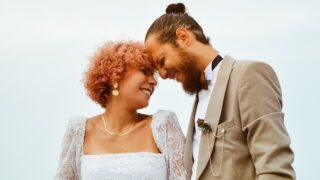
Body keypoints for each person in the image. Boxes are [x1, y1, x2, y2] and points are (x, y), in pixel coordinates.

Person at [145, 3, 295, 180]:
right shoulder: (200, 96)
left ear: (183, 37)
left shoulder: (248, 75)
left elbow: (275, 170)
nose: (162, 75)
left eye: (162, 61)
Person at [54, 41, 187, 180]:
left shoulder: (163, 125)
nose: (153, 81)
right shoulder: (79, 130)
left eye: (153, 74)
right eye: (144, 71)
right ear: (115, 74)